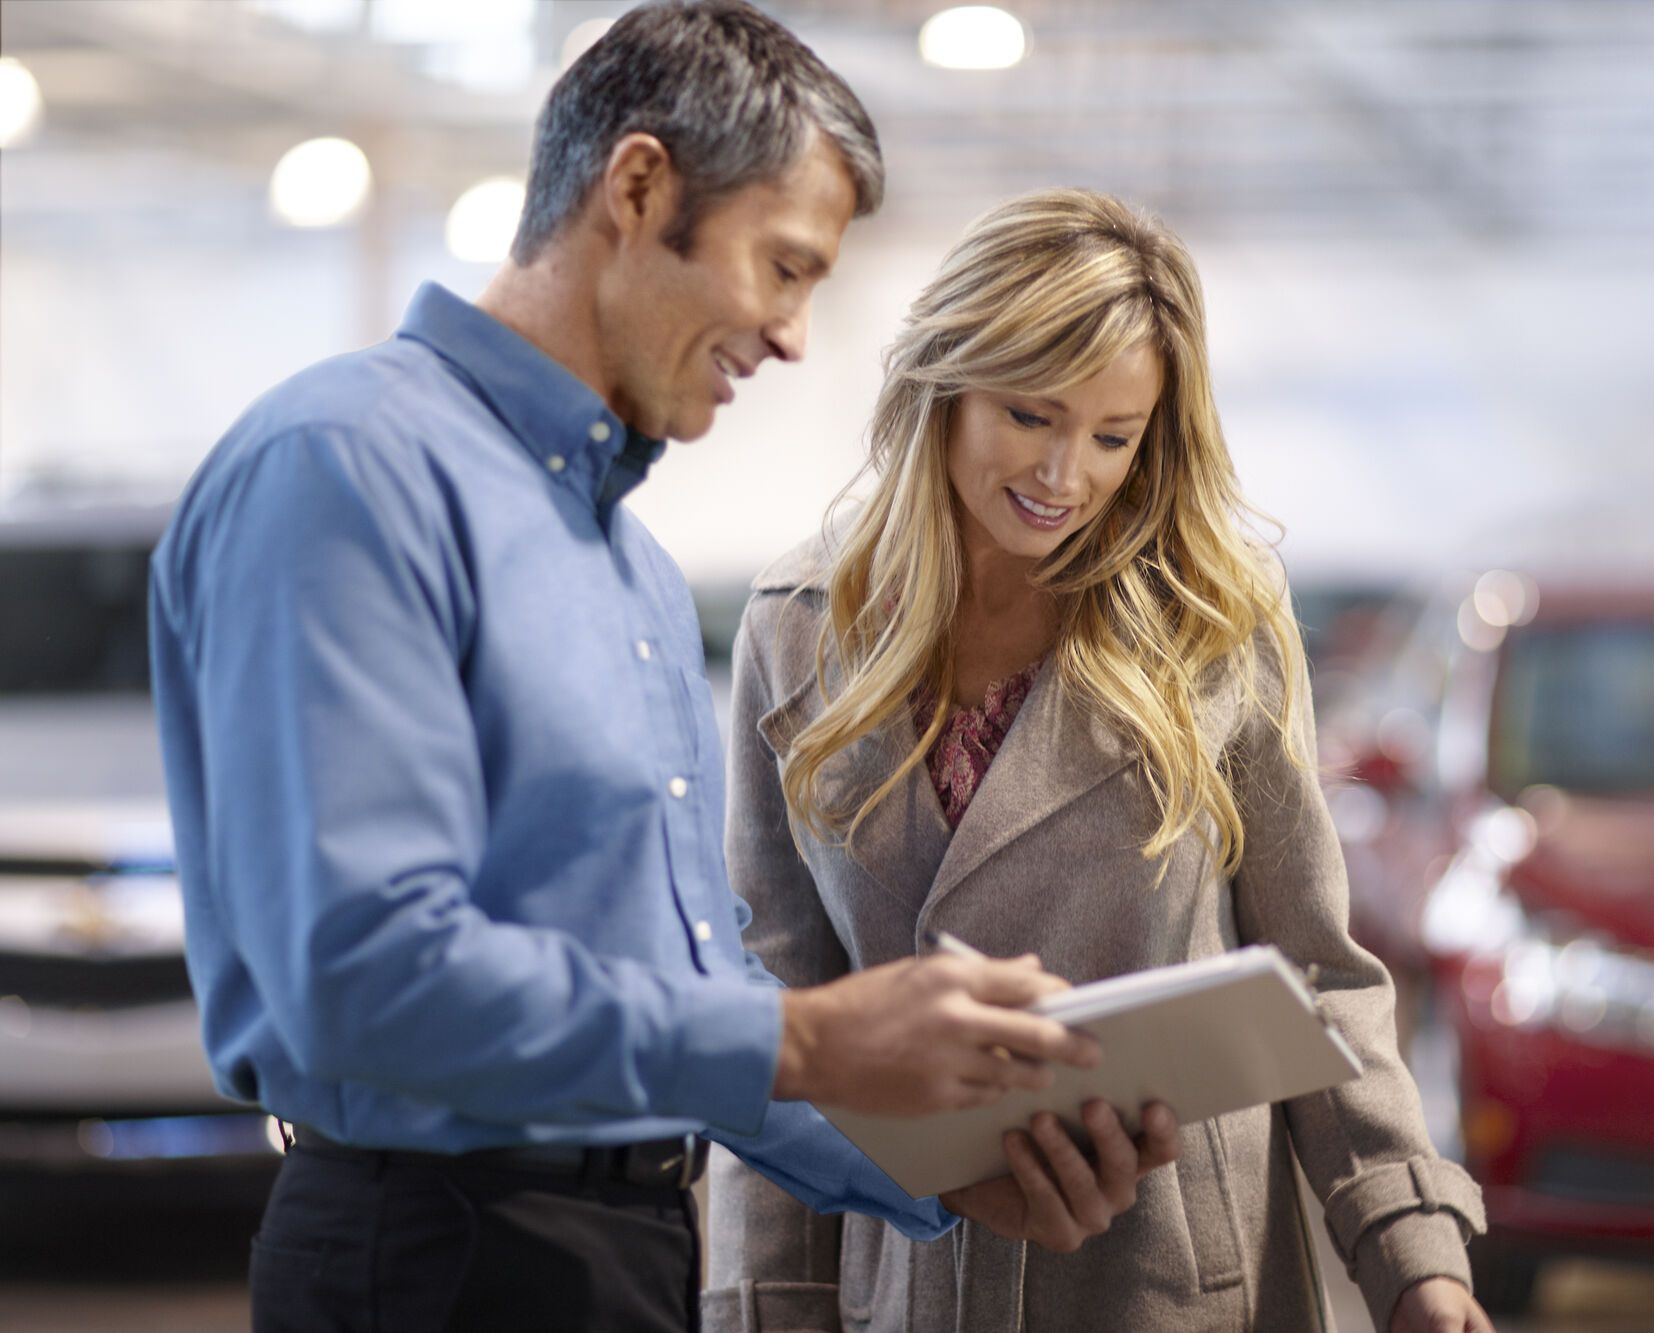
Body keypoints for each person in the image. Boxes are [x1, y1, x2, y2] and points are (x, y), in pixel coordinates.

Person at [147, 8, 1177, 1331]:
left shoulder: (623, 564)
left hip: (620, 1248)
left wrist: (947, 1175)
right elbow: (363, 974)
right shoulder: (346, 472)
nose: (796, 334)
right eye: (784, 267)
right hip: (429, 1257)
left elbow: (689, 997)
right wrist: (814, 1038)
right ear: (637, 188)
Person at [706, 189, 1493, 1333]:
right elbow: (779, 1008)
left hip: (1176, 1277)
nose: (1066, 476)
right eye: (1031, 415)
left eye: (1114, 436)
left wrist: (1410, 1252)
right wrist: (761, 1307)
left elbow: (1317, 968)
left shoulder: (1212, 615)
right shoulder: (796, 626)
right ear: (944, 384)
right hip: (920, 1278)